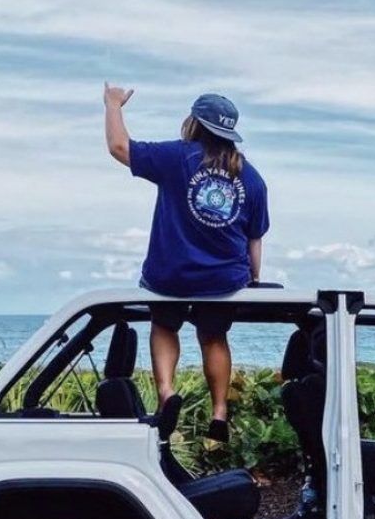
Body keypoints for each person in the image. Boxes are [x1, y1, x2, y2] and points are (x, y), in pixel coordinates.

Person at [103, 83, 270, 441]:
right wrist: (253, 280)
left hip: (170, 276)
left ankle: (166, 393)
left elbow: (119, 147)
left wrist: (113, 104)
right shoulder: (252, 178)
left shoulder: (177, 157)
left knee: (165, 327)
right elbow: (255, 240)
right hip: (224, 281)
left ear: (193, 124)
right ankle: (220, 411)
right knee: (213, 337)